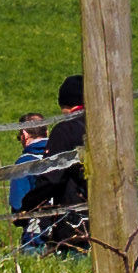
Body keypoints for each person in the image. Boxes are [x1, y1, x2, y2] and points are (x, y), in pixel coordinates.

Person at [13, 76, 92, 254]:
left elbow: (52, 178)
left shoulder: (65, 130)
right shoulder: (104, 126)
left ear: (65, 103)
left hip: (75, 223)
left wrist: (29, 204)